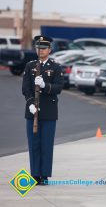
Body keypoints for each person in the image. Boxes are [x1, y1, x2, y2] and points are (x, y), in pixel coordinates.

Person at [22, 35, 64, 185]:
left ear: (50, 50)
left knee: (46, 144)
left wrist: (46, 85)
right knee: (34, 144)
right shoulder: (30, 65)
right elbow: (26, 88)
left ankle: (44, 175)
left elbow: (59, 87)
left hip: (49, 111)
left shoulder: (55, 67)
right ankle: (34, 174)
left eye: (44, 48)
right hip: (32, 110)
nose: (41, 50)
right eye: (38, 47)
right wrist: (30, 103)